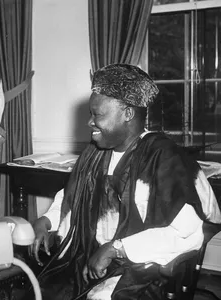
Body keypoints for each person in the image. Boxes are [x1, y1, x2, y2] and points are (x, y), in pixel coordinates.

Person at [30, 64, 221, 300]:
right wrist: (47, 220)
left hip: (144, 270)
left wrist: (117, 248)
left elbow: (187, 234)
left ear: (128, 114)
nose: (90, 122)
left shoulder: (164, 159)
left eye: (97, 114)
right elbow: (72, 197)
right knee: (43, 289)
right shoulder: (95, 153)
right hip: (89, 258)